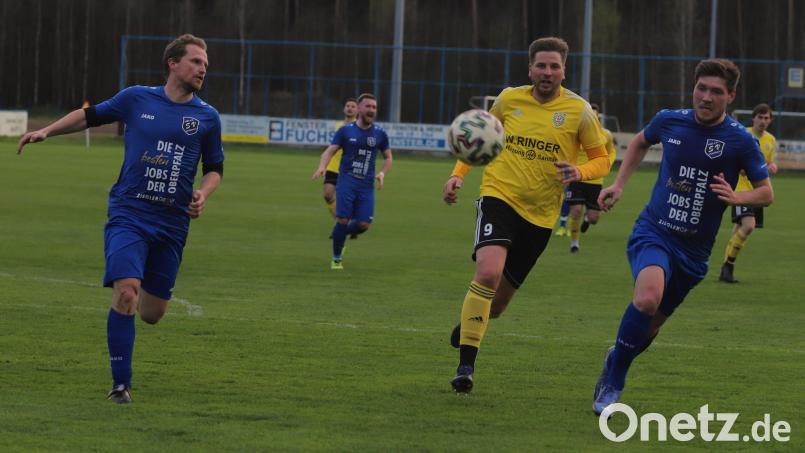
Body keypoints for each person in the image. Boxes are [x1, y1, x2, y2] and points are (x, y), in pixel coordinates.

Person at [16, 34, 225, 404]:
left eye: (205, 64)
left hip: (172, 224)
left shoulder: (207, 117)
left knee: (152, 313)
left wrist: (202, 193)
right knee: (126, 291)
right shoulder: (136, 98)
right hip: (129, 214)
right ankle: (120, 386)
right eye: (195, 61)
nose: (202, 68)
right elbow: (89, 115)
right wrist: (47, 130)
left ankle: (140, 286)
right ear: (173, 64)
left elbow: (214, 169)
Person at [591, 59, 773, 415]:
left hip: (694, 252)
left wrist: (738, 197)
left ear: (731, 96)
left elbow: (766, 192)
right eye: (701, 88)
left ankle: (617, 356)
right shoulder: (669, 120)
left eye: (716, 92)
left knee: (651, 326)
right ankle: (614, 383)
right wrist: (618, 184)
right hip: (655, 231)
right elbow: (640, 143)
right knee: (647, 297)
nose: (705, 97)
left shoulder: (740, 140)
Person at [443, 36, 611, 393]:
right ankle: (465, 368)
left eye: (554, 66)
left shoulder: (579, 111)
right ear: (530, 67)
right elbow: (478, 138)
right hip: (499, 196)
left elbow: (602, 160)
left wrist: (579, 172)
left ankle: (468, 326)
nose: (547, 72)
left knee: (499, 305)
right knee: (487, 273)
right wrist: (457, 175)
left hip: (541, 216)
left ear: (564, 69)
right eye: (541, 65)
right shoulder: (508, 99)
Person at [312, 93, 392, 270]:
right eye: (368, 106)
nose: (371, 110)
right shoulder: (345, 131)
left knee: (364, 225)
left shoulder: (380, 134)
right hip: (346, 181)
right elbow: (329, 151)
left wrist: (382, 173)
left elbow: (388, 157)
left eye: (374, 107)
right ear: (360, 108)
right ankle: (336, 259)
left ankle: (340, 233)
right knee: (342, 219)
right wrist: (322, 166)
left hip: (366, 185)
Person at [719, 103, 778, 283]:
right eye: (759, 117)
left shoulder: (771, 140)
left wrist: (772, 166)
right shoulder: (743, 134)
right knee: (749, 225)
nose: (763, 121)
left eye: (766, 118)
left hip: (757, 190)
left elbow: (765, 164)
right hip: (740, 189)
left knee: (740, 229)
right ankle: (728, 265)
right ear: (753, 118)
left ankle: (726, 269)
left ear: (770, 120)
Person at [566, 103, 618, 253]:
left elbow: (611, 152)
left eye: (595, 115)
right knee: (575, 211)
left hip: (595, 181)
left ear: (598, 117)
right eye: (591, 115)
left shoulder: (606, 135)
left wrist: (607, 163)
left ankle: (588, 219)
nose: (593, 117)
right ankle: (574, 243)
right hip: (578, 177)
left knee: (594, 218)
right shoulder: (577, 131)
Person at [322, 98, 359, 218]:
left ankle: (346, 223)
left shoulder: (360, 128)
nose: (350, 108)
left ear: (358, 110)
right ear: (344, 109)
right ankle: (340, 220)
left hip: (349, 168)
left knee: (346, 199)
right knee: (328, 195)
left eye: (353, 106)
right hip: (333, 166)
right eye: (348, 105)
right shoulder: (338, 126)